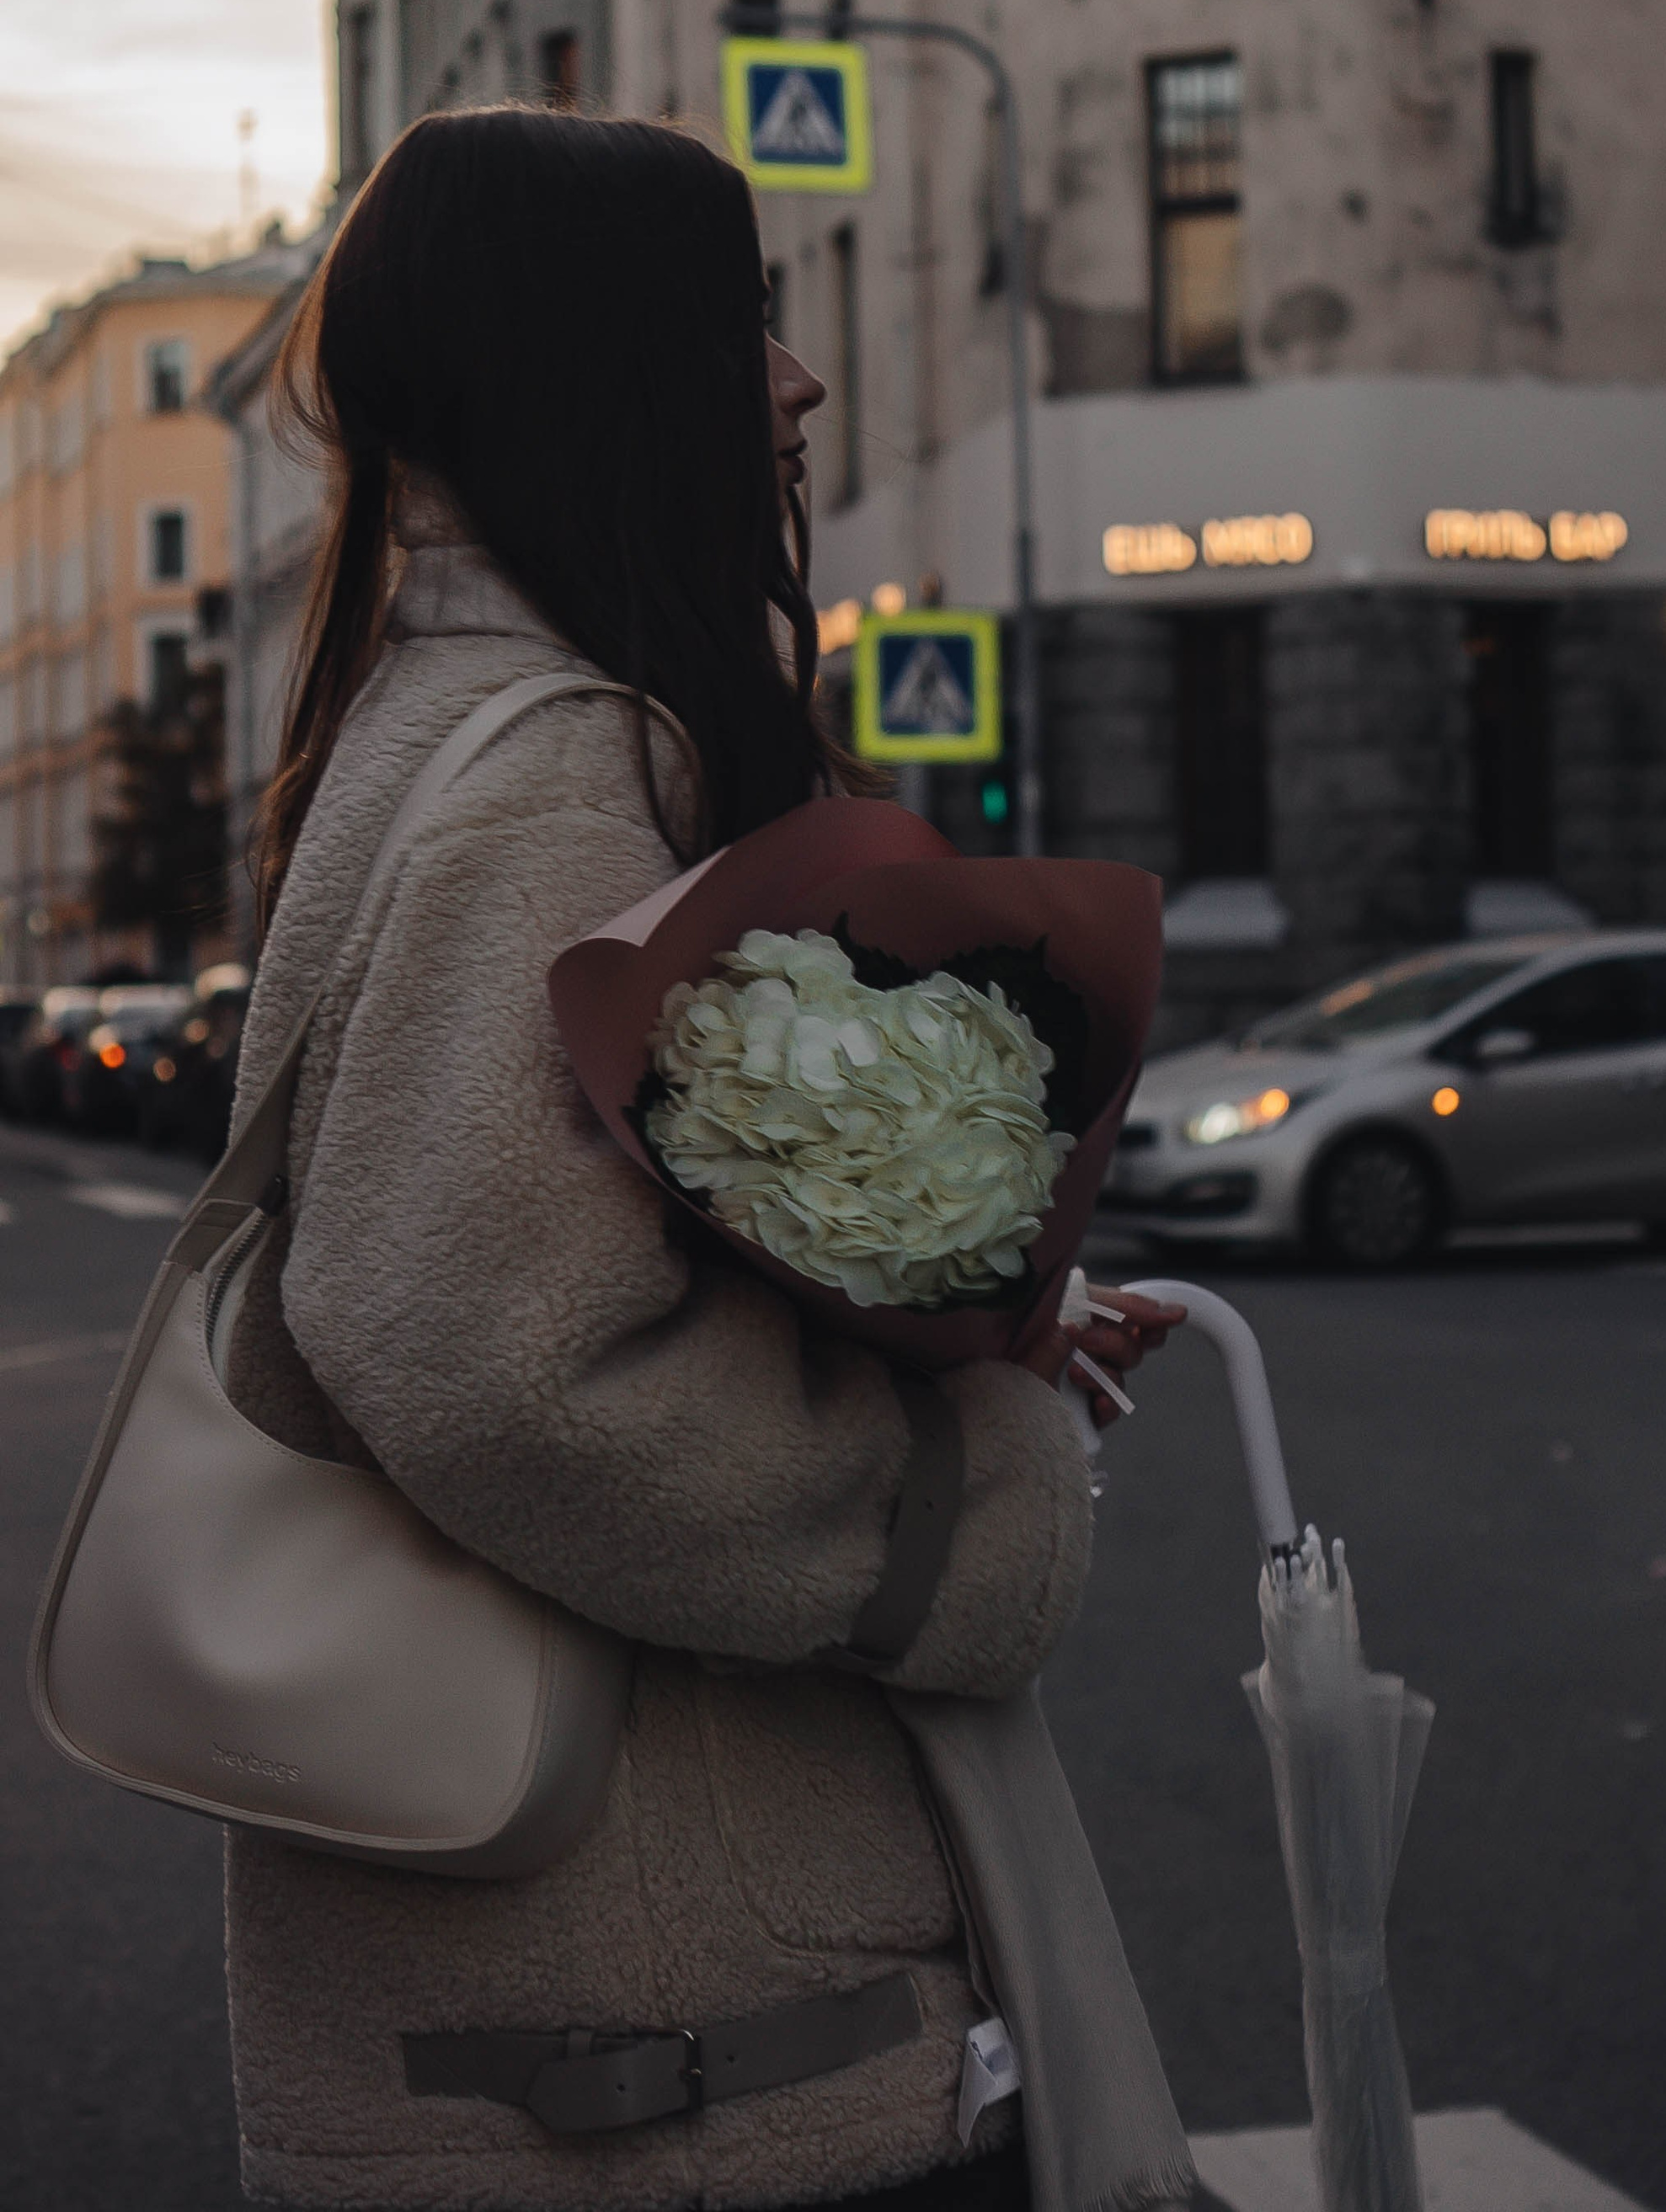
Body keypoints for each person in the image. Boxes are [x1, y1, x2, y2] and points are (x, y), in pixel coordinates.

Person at [223, 107, 1178, 2212]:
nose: (799, 379)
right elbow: (488, 1354)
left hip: (590, 2007)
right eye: (744, 321)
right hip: (664, 2059)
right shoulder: (555, 770)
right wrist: (962, 1492)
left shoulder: (434, 722)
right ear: (601, 365)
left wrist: (954, 1322)